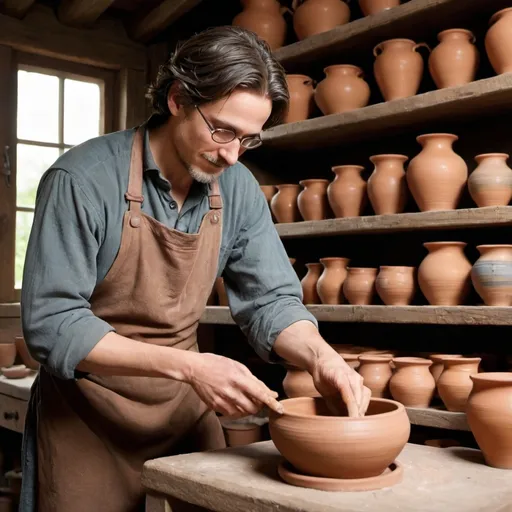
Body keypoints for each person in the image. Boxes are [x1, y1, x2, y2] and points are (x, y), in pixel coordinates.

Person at [19, 25, 370, 511]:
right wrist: (189, 366)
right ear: (179, 98)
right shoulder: (82, 179)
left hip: (183, 411)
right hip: (87, 417)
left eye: (249, 140)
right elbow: (51, 324)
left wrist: (319, 355)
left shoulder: (239, 189)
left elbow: (270, 301)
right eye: (222, 130)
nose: (231, 154)